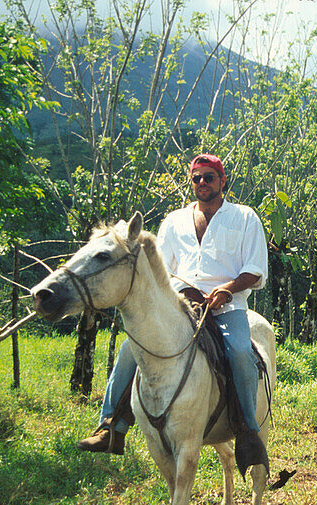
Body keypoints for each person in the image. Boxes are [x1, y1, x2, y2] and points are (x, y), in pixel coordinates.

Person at [78, 153, 269, 468]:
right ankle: (112, 425)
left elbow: (255, 270)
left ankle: (249, 432)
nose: (202, 183)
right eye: (196, 178)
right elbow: (160, 270)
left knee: (238, 353)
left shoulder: (245, 218)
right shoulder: (174, 220)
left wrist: (226, 289)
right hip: (181, 305)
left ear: (223, 180)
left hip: (227, 307)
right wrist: (176, 294)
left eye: (209, 177)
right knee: (131, 348)